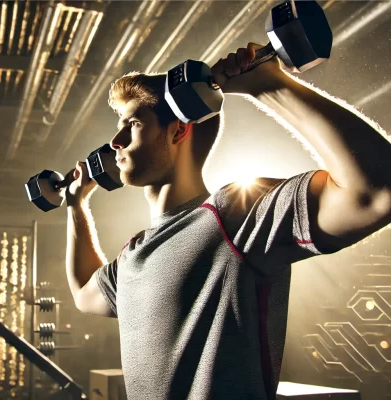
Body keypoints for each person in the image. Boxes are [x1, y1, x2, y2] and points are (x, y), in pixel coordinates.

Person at [64, 43, 391, 400]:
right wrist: (76, 205)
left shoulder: (233, 214)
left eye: (134, 123)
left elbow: (376, 191)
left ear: (178, 131)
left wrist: (268, 85)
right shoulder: (132, 257)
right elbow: (84, 295)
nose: (115, 141)